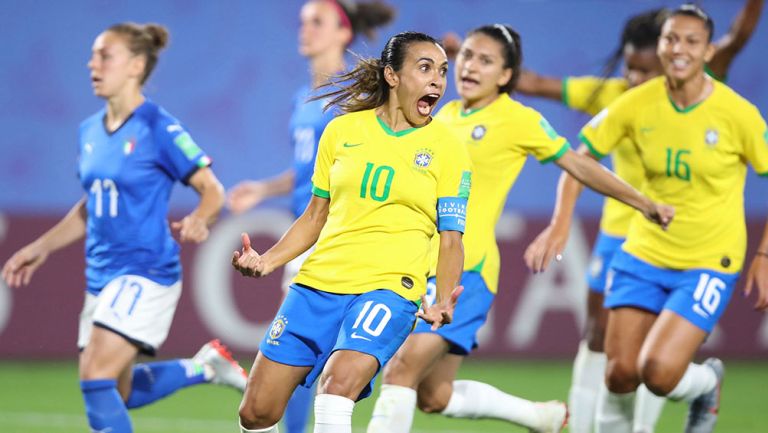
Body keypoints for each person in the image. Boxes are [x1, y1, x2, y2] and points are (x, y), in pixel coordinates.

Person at [365, 24, 673, 433]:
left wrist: (643, 202)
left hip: (465, 274)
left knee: (400, 371)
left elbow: (578, 164)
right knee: (434, 396)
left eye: (486, 60)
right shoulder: (443, 116)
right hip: (418, 268)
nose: (470, 66)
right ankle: (538, 417)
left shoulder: (517, 120)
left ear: (506, 76)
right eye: (468, 56)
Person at [520, 2, 763, 432]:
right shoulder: (633, 103)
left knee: (659, 372)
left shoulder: (735, 112)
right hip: (644, 249)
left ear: (709, 51)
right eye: (672, 39)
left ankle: (705, 383)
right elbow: (580, 158)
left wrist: (764, 255)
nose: (679, 48)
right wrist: (560, 222)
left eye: (692, 40)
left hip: (708, 258)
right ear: (661, 45)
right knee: (619, 374)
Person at [1, 23, 246, 433]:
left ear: (135, 65)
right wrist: (41, 247)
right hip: (101, 275)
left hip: (146, 272)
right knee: (119, 391)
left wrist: (202, 218)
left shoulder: (157, 126)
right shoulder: (88, 131)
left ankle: (205, 367)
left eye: (104, 56)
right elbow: (92, 203)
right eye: (93, 55)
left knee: (95, 376)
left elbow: (212, 190)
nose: (92, 64)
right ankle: (204, 368)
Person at [232, 31, 471, 433]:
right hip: (318, 283)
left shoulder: (448, 148)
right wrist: (267, 260)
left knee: (336, 386)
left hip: (389, 288)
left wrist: (444, 297)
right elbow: (314, 216)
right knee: (256, 413)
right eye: (425, 68)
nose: (438, 81)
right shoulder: (341, 132)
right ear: (392, 76)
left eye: (442, 71)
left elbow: (451, 237)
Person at [227, 1, 395, 432]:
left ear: (343, 33)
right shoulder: (302, 98)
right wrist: (264, 188)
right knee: (304, 360)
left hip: (340, 236)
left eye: (317, 22)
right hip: (307, 230)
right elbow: (312, 173)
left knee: (311, 360)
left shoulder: (359, 98)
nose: (305, 30)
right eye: (302, 22)